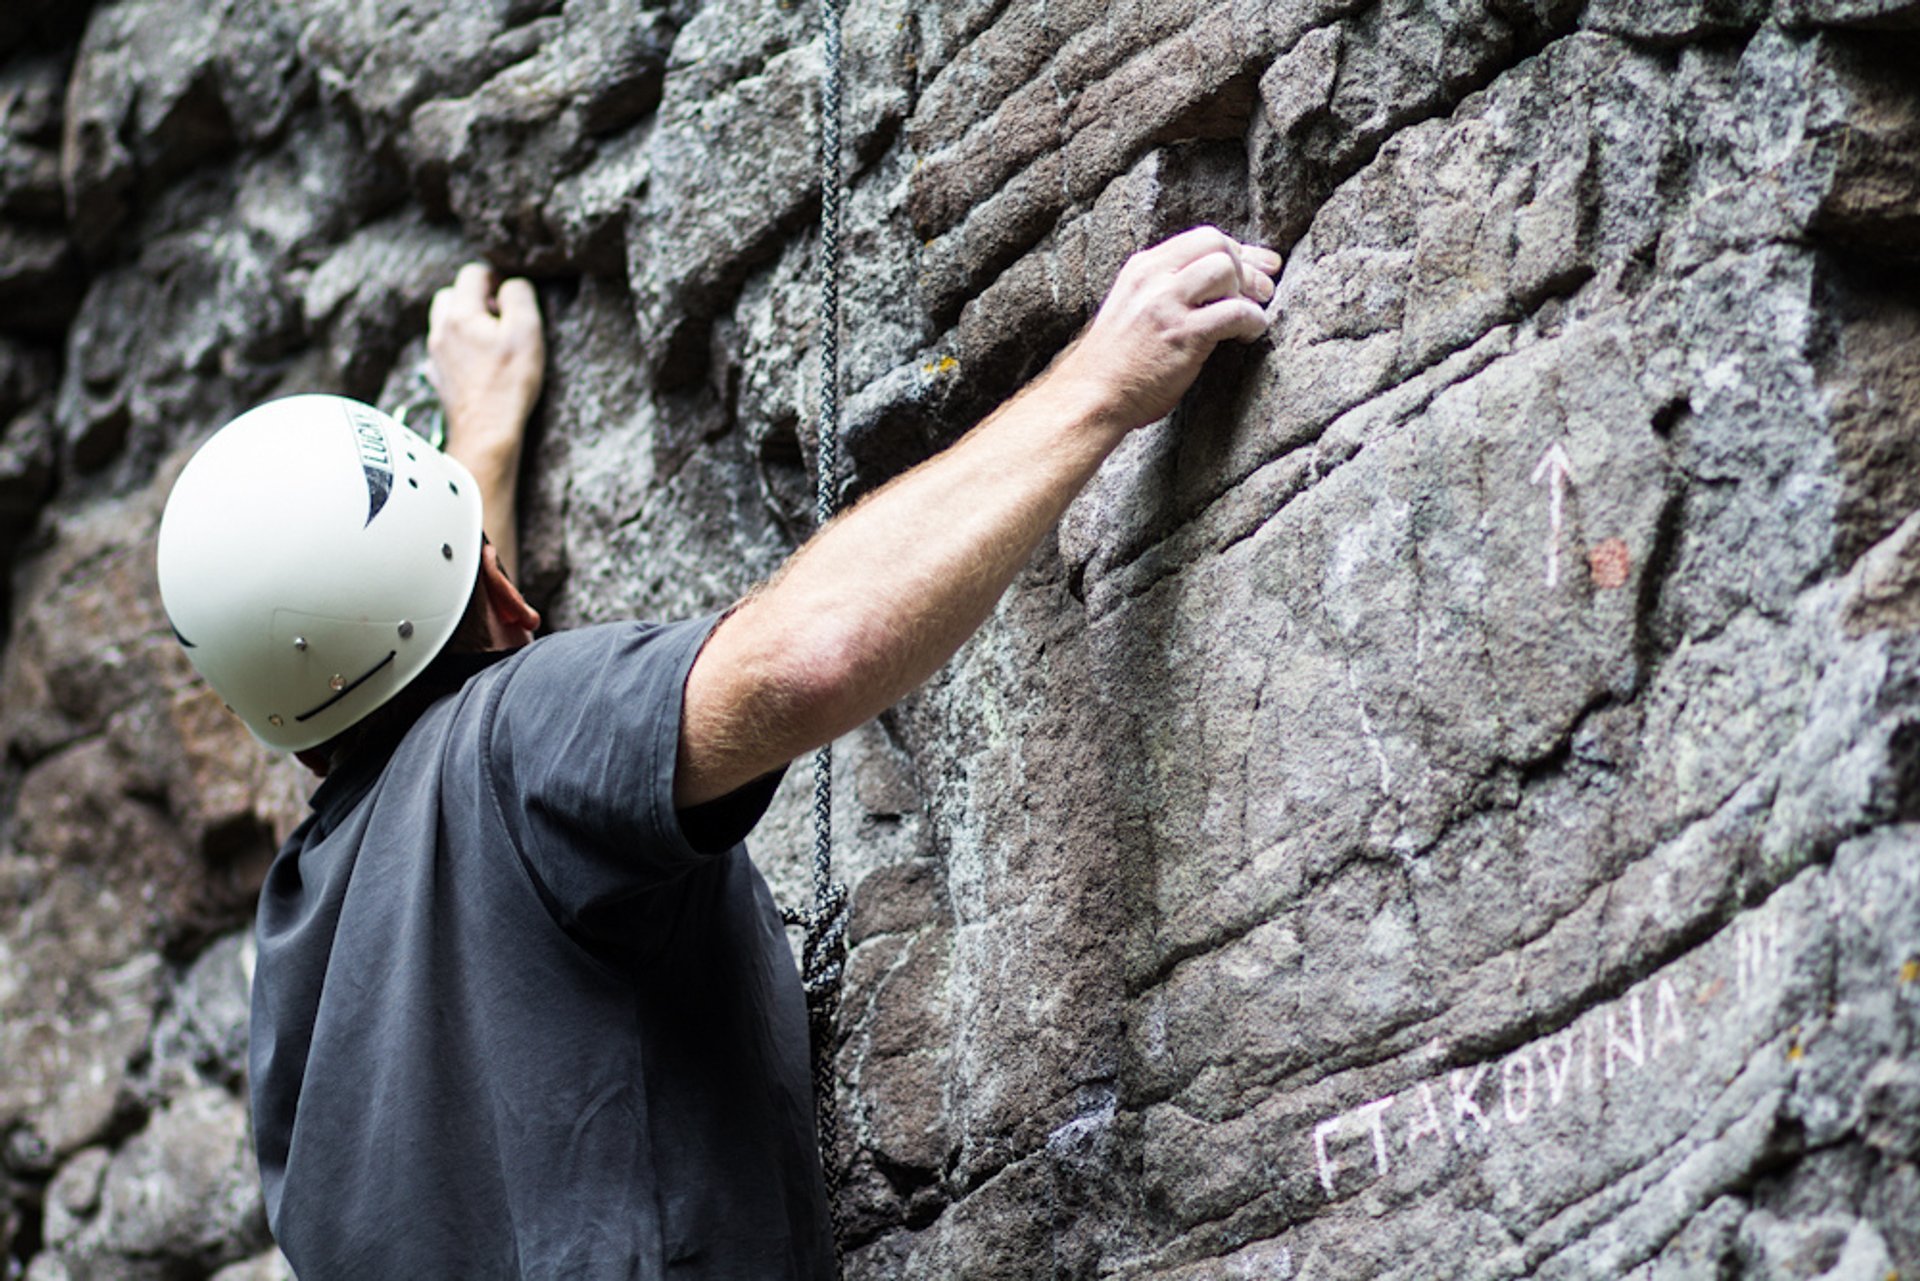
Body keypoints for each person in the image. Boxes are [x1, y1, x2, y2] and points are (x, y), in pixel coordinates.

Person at [155, 226, 1279, 1278]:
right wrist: (1097, 384)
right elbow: (807, 662)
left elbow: (427, 667)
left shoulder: (299, 949)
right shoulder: (522, 736)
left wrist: (484, 438)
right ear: (497, 587)